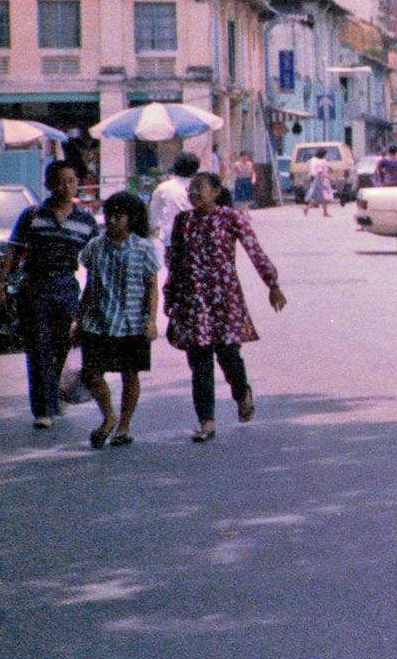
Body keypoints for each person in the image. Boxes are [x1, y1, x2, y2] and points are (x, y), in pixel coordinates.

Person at [166, 172, 286, 442]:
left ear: (216, 191)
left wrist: (272, 284)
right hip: (192, 299)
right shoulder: (182, 221)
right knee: (199, 362)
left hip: (224, 299)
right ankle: (206, 421)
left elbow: (254, 251)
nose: (194, 193)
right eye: (192, 188)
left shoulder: (231, 217)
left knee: (228, 354)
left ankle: (242, 392)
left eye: (200, 188)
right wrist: (170, 296)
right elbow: (175, 261)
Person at [0, 161, 99, 428]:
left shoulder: (86, 221)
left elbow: (97, 260)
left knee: (60, 346)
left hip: (66, 288)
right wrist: (2, 284)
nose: (66, 186)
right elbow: (13, 250)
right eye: (60, 181)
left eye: (71, 180)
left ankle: (54, 393)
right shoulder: (32, 215)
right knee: (37, 348)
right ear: (48, 185)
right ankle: (43, 410)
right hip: (34, 288)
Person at [75, 191, 159, 448]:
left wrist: (151, 320)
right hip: (98, 320)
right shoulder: (94, 247)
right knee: (91, 373)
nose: (112, 221)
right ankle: (108, 416)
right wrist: (79, 318)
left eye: (118, 216)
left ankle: (123, 426)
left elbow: (152, 286)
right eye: (109, 215)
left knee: (129, 375)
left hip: (132, 321)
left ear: (131, 219)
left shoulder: (144, 248)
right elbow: (89, 285)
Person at [150, 152, 200, 242]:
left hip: (169, 237)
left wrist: (152, 229)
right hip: (195, 237)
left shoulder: (163, 187)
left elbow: (154, 213)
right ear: (195, 169)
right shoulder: (200, 187)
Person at [302, 151, 334, 218]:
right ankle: (324, 212)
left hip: (319, 181)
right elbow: (320, 173)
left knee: (320, 199)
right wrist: (325, 180)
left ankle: (308, 208)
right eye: (325, 154)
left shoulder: (316, 161)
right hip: (321, 181)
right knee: (324, 198)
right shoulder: (320, 162)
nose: (326, 156)